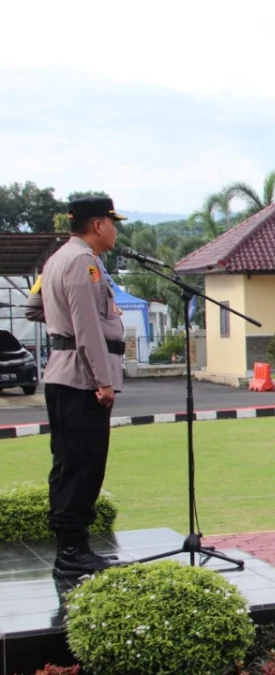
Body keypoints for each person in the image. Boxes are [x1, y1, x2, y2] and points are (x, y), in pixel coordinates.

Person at [24, 196, 127, 577]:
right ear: (98, 224)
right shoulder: (84, 262)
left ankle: (71, 547)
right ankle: (72, 550)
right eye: (113, 223)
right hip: (81, 379)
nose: (116, 230)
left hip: (63, 373)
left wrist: (62, 317)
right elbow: (85, 327)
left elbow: (34, 308)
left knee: (69, 462)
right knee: (83, 464)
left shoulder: (56, 259)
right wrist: (103, 381)